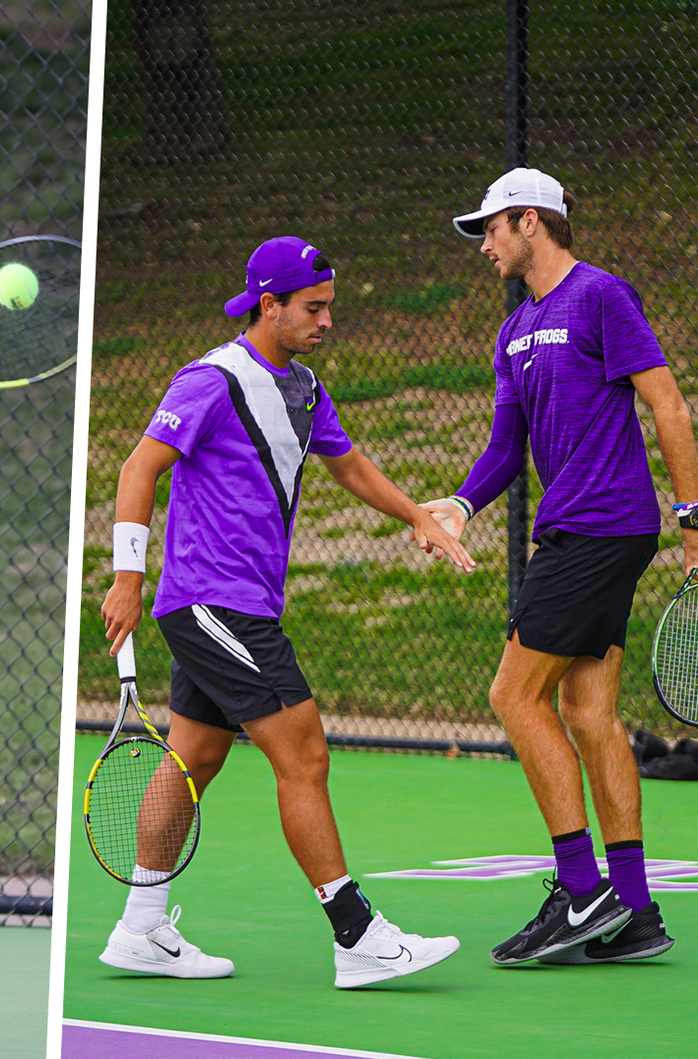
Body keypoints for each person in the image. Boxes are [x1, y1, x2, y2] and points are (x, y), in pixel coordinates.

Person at [98, 237, 472, 989]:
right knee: (303, 755)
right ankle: (355, 935)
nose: (326, 320)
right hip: (211, 603)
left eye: (329, 306)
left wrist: (417, 516)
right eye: (313, 307)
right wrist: (126, 577)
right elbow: (139, 465)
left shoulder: (303, 389)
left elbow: (347, 462)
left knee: (194, 755)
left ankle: (140, 926)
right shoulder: (210, 380)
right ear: (268, 305)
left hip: (243, 604)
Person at [421, 168, 691, 965]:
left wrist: (692, 516)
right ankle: (634, 910)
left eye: (492, 230)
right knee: (586, 713)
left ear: (530, 221)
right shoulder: (512, 333)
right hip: (575, 530)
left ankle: (581, 889)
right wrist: (460, 506)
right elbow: (505, 448)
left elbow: (666, 403)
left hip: (601, 526)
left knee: (512, 692)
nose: (485, 247)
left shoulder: (603, 295)